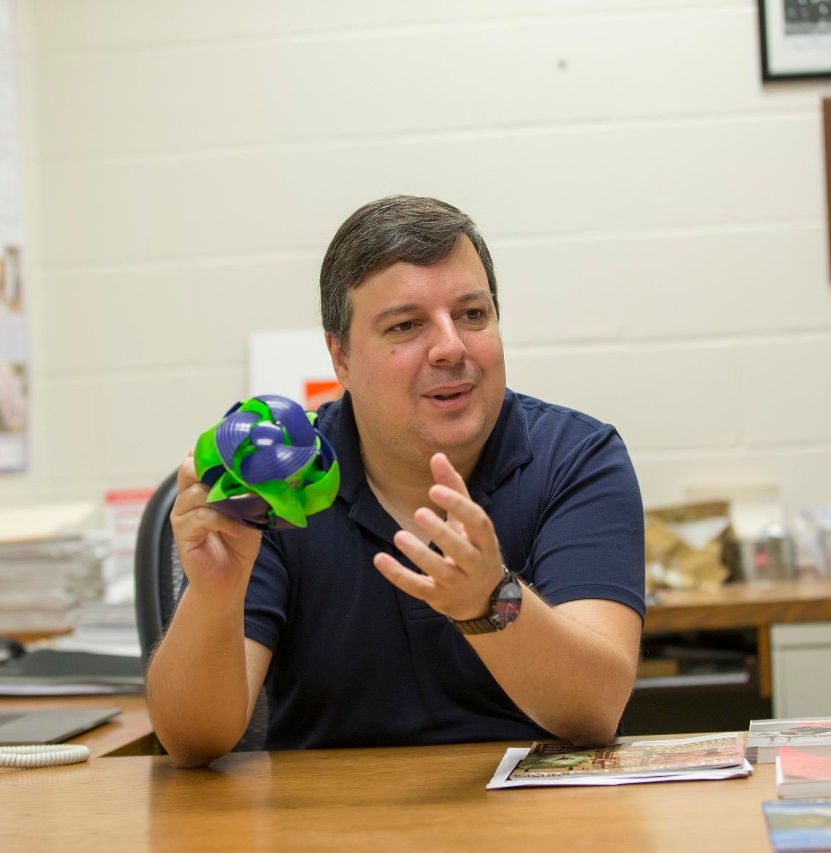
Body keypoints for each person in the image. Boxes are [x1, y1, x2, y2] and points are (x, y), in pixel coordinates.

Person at [147, 195, 646, 767]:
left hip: (534, 819)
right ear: (341, 358)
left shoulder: (576, 457)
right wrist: (215, 595)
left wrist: (491, 601)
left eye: (472, 315)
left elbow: (595, 709)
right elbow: (192, 741)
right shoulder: (285, 479)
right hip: (326, 824)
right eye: (406, 325)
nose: (450, 346)